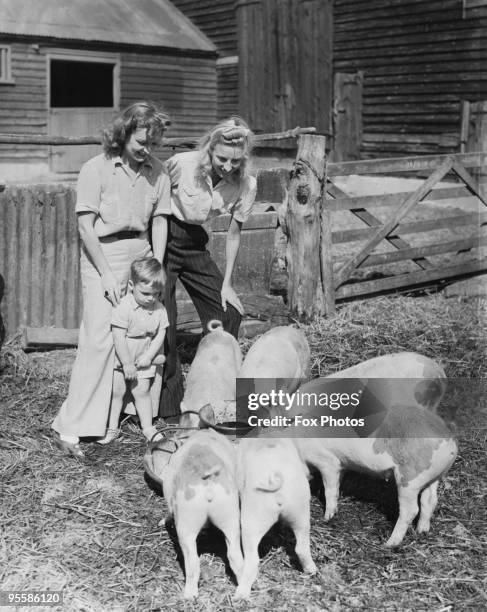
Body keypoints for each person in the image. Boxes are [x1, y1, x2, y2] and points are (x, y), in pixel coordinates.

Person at [52, 101, 171, 458]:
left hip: (142, 254)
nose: (146, 150)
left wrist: (158, 266)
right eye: (140, 143)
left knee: (144, 332)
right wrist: (105, 273)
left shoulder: (158, 172)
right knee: (101, 338)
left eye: (152, 143)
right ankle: (73, 425)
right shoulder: (96, 168)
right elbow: (85, 227)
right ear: (122, 135)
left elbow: (160, 221)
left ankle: (130, 412)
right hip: (104, 254)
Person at [159, 116, 257, 417]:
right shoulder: (182, 163)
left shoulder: (247, 183)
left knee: (229, 312)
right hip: (164, 237)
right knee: (164, 321)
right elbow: (153, 200)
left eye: (235, 161)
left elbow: (234, 232)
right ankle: (169, 408)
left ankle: (216, 390)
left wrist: (226, 284)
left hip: (195, 243)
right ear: (210, 149)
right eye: (222, 158)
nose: (228, 167)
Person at [97, 257, 168, 444]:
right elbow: (118, 336)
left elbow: (161, 334)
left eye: (156, 294)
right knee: (117, 392)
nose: (151, 298)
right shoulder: (124, 307)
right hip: (123, 359)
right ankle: (112, 428)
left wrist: (149, 356)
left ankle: (148, 427)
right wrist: (127, 363)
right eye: (145, 293)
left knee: (142, 391)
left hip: (143, 357)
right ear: (131, 285)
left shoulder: (159, 309)